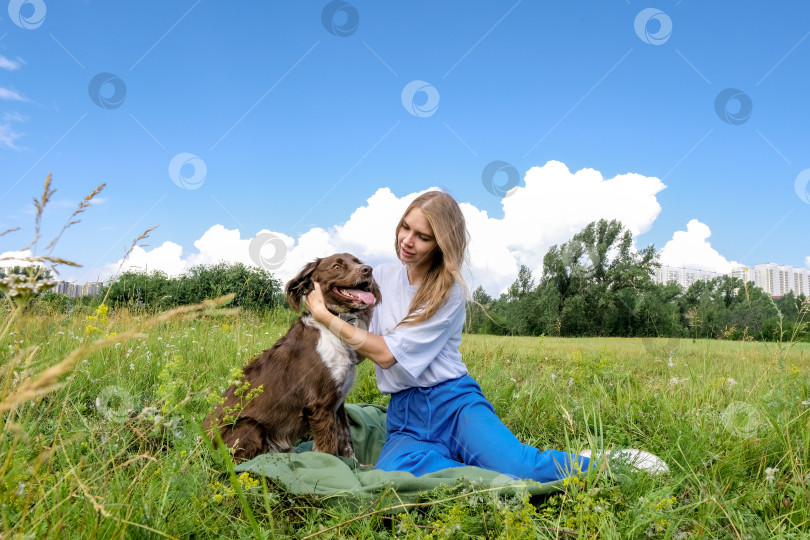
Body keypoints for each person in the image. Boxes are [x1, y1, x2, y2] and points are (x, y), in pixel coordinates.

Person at [304, 190, 665, 481]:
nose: (408, 241)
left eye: (423, 236)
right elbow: (346, 308)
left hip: (455, 404)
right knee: (393, 476)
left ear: (441, 244)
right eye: (405, 228)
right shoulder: (379, 276)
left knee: (520, 469)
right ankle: (471, 468)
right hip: (406, 416)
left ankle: (606, 463)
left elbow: (385, 355)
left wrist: (321, 315)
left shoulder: (448, 292)